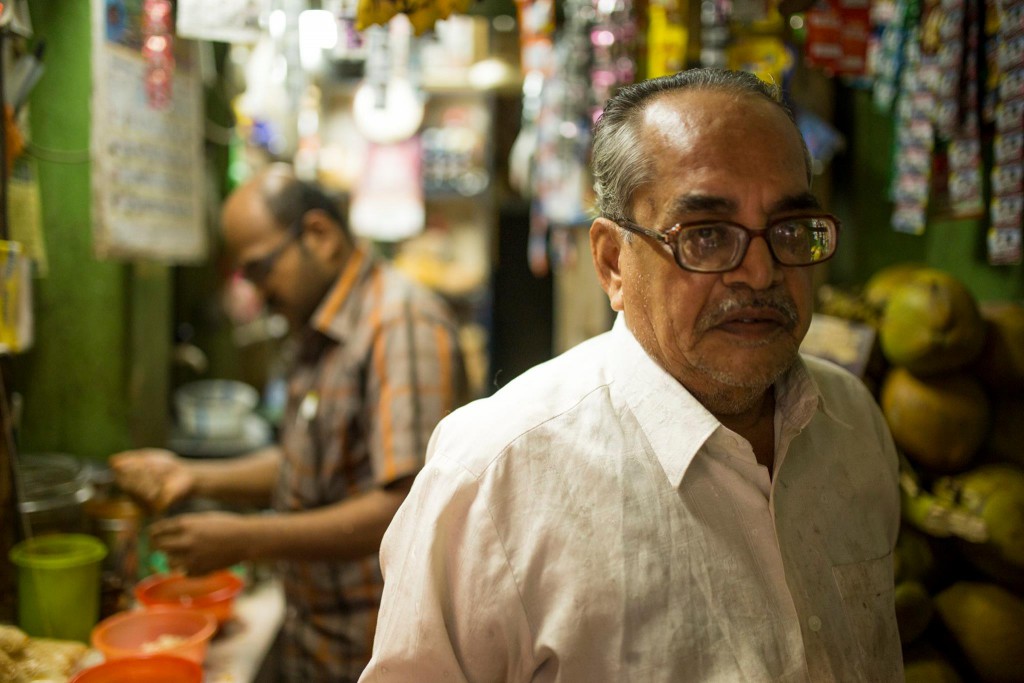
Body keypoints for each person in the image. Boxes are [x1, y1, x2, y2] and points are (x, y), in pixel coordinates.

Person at [360, 68, 902, 682]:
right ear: (613, 262)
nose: (759, 273)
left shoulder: (852, 422)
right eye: (705, 236)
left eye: (788, 231)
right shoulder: (494, 477)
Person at [112, 164, 467, 682]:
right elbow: (312, 459)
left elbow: (403, 507)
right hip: (315, 639)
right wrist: (191, 475)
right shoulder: (321, 326)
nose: (256, 292)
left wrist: (247, 538)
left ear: (319, 235)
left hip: (372, 654)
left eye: (260, 269)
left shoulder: (399, 323)